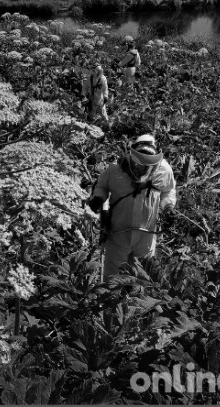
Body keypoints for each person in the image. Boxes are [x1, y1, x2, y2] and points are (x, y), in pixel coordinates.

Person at [87, 134, 176, 281]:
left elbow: (168, 191)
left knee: (142, 277)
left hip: (146, 235)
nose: (142, 168)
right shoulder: (115, 170)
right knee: (113, 277)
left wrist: (168, 207)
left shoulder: (164, 170)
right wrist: (98, 198)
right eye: (138, 162)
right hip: (118, 233)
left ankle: (136, 295)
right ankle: (113, 295)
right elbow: (102, 186)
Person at [82, 64, 110, 128]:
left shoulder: (103, 79)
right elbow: (85, 87)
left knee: (103, 113)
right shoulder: (90, 78)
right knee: (91, 113)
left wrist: (105, 97)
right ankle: (91, 127)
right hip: (92, 98)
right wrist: (83, 94)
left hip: (100, 99)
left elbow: (105, 89)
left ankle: (107, 125)